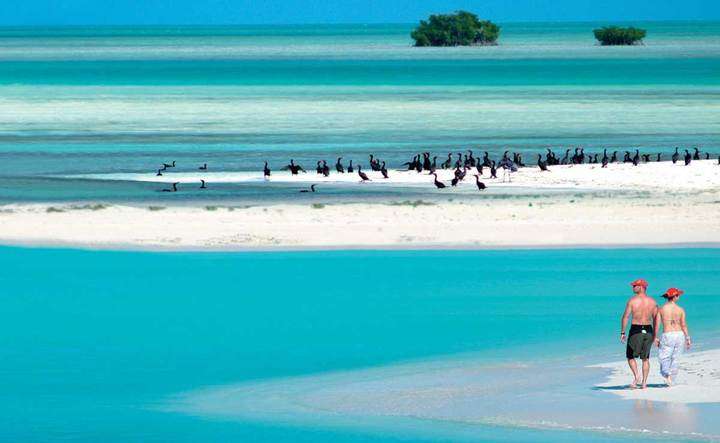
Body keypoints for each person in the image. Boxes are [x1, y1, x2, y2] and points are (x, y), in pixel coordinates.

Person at [620, 278, 658, 389]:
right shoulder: (653, 302)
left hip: (636, 330)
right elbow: (656, 319)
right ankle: (644, 383)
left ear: (641, 287)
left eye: (635, 286)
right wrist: (655, 335)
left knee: (630, 356)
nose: (633, 287)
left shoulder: (632, 301)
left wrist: (622, 332)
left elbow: (626, 317)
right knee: (645, 358)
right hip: (648, 330)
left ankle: (637, 377)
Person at [654, 288, 691, 386]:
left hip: (668, 334)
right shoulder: (680, 310)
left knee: (664, 357)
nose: (679, 297)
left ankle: (667, 375)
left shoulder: (661, 309)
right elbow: (684, 325)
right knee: (676, 358)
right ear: (675, 297)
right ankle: (671, 378)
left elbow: (657, 325)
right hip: (679, 334)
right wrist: (688, 338)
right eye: (678, 295)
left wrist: (655, 337)